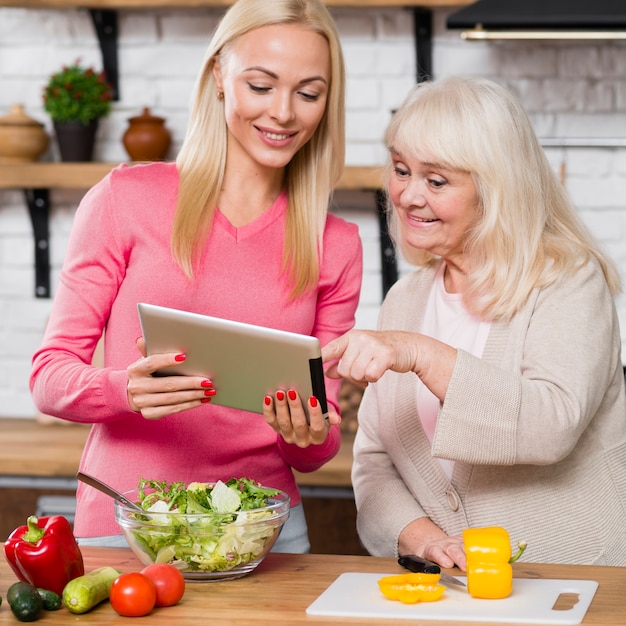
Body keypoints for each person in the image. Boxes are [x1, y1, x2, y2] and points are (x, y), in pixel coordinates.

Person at [30, 0, 362, 553]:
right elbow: (49, 375)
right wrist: (122, 389)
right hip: (128, 522)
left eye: (308, 93)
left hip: (263, 533)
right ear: (219, 78)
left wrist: (307, 435)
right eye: (261, 85)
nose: (283, 113)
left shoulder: (336, 244)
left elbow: (317, 442)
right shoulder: (126, 199)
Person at [322, 76, 626, 568]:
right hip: (458, 591)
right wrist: (424, 540)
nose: (408, 197)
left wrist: (421, 353)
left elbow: (551, 424)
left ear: (496, 190)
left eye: (436, 181)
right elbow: (376, 462)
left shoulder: (568, 280)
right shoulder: (406, 299)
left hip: (579, 581)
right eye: (401, 170)